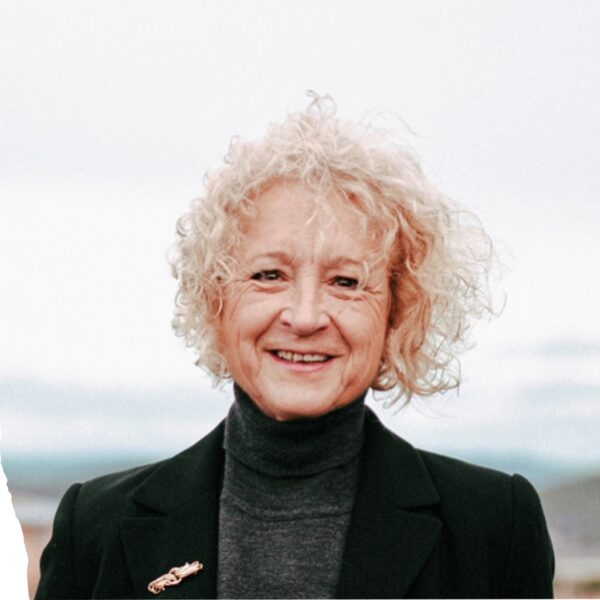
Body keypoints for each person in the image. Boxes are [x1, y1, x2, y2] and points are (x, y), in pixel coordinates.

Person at [35, 95, 554, 599]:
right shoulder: (95, 527)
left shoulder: (494, 525)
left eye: (347, 282)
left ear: (398, 313)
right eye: (269, 275)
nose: (305, 317)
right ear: (215, 301)